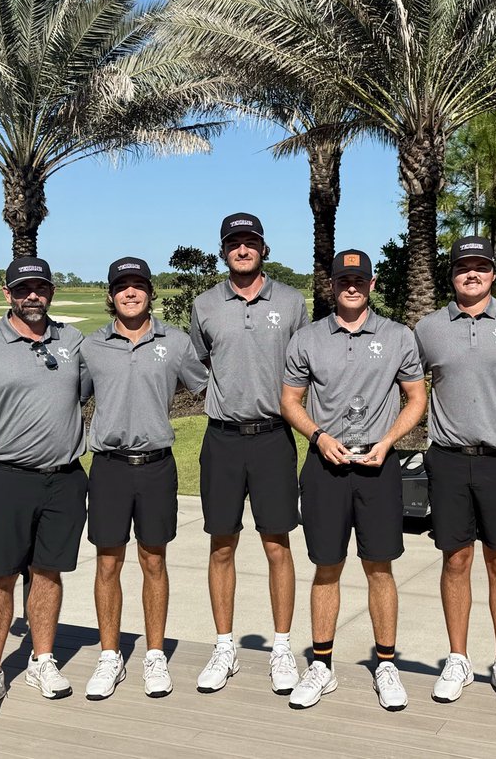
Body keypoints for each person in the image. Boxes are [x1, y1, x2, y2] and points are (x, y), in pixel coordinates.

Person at [280, 249, 427, 711]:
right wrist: (318, 436)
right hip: (325, 464)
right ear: (331, 284)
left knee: (379, 566)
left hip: (377, 465)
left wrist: (389, 441)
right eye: (343, 280)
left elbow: (416, 398)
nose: (351, 286)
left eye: (359, 279)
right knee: (327, 566)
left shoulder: (398, 336)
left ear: (371, 283)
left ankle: (386, 664)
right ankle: (321, 665)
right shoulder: (306, 339)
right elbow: (290, 401)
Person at [0, 258, 89, 718]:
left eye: (40, 288)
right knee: (0, 575)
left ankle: (42, 661)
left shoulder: (72, 340)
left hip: (65, 478)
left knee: (48, 572)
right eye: (23, 288)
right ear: (7, 294)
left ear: (51, 292)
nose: (33, 296)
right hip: (7, 478)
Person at [412, 236, 496, 709]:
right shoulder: (428, 329)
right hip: (448, 458)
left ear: (493, 274)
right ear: (451, 275)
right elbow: (410, 381)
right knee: (456, 559)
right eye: (463, 267)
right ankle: (458, 659)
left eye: (481, 267)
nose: (472, 274)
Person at [189, 213, 310, 695]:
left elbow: (304, 365)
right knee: (222, 544)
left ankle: (281, 648)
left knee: (277, 544)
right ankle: (225, 648)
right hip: (221, 438)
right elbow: (199, 362)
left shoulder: (291, 302)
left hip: (273, 437)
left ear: (264, 248)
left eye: (250, 242)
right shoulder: (204, 305)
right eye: (234, 243)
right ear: (224, 251)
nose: (242, 249)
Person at [81, 257, 209, 701]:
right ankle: (110, 656)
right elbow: (69, 398)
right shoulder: (92, 346)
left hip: (156, 466)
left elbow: (209, 389)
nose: (130, 293)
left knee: (154, 561)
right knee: (107, 563)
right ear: (111, 295)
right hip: (109, 467)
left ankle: (155, 655)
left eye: (138, 285)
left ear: (150, 292)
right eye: (122, 287)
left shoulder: (175, 343)